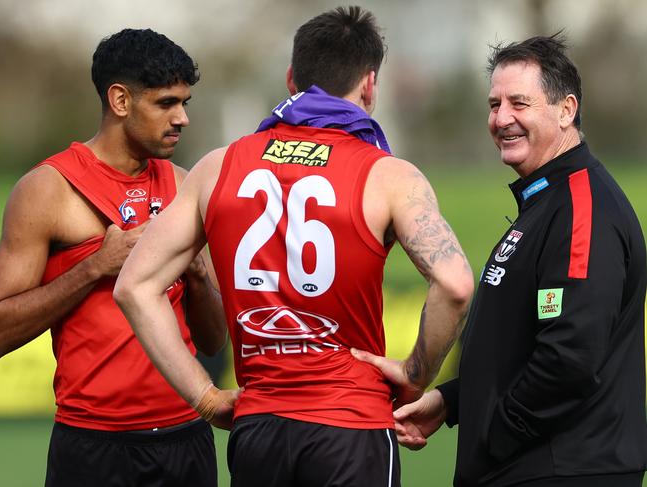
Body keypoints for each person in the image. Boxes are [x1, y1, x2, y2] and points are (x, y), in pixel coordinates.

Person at [114, 6, 473, 487]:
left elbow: (135, 286)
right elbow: (454, 284)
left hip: (259, 428)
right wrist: (413, 376)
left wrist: (204, 396)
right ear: (369, 84)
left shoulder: (218, 166)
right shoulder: (389, 176)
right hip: (351, 427)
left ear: (291, 79)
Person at [356, 34, 647, 486]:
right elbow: (520, 341)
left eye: (519, 103)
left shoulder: (582, 207)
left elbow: (570, 356)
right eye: (494, 105)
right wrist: (454, 402)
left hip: (560, 470)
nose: (502, 119)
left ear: (566, 110)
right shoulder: (546, 202)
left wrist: (496, 434)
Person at [0, 29, 229, 486]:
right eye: (166, 103)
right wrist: (93, 268)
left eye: (185, 103)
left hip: (187, 437)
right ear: (120, 100)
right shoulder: (48, 189)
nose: (182, 118)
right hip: (93, 445)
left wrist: (199, 273)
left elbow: (213, 340)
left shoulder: (185, 186)